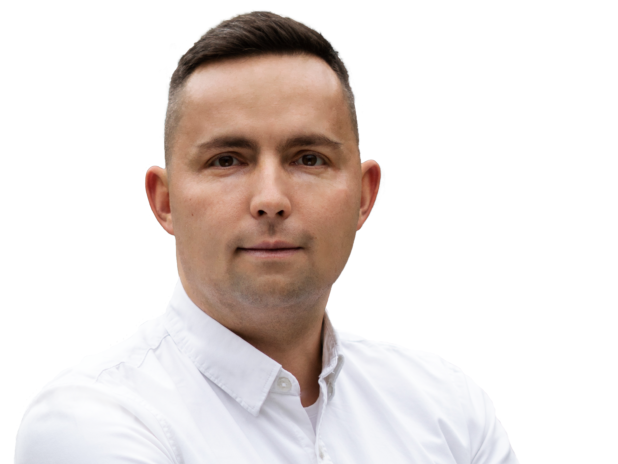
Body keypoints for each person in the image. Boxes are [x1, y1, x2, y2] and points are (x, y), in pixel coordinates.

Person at [15, 11, 518, 464]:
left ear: (364, 196)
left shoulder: (449, 412)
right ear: (165, 202)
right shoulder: (92, 421)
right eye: (227, 160)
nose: (271, 199)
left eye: (309, 159)